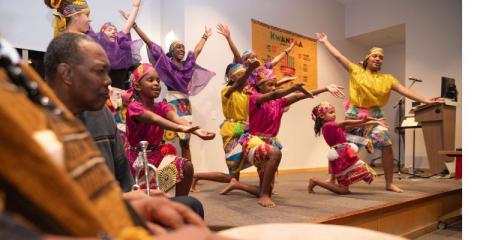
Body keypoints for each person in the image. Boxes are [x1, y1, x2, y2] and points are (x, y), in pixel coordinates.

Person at [1, 34, 227, 239]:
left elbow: (121, 178)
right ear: (66, 74)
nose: (109, 81)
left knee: (190, 205)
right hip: (83, 226)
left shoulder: (101, 115)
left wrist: (127, 202)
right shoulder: (22, 123)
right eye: (100, 71)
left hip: (110, 207)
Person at [315, 32, 442, 193]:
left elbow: (404, 90)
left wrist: (426, 100)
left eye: (381, 57)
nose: (377, 59)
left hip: (375, 119)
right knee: (339, 147)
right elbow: (339, 57)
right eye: (374, 56)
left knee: (387, 145)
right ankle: (333, 177)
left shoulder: (387, 79)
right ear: (368, 58)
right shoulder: (356, 71)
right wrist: (326, 42)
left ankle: (389, 183)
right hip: (354, 117)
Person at [221, 68, 345, 208]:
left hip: (270, 142)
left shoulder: (279, 102)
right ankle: (263, 196)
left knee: (268, 187)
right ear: (259, 85)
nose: (273, 87)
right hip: (253, 142)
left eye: (275, 84)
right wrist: (291, 88)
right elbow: (273, 95)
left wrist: (325, 88)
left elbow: (300, 95)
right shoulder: (255, 98)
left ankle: (238, 185)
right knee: (275, 153)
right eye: (270, 84)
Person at [119, 10, 216, 161]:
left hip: (184, 103)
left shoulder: (188, 66)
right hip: (171, 101)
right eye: (178, 47)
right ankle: (164, 170)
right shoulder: (166, 64)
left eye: (183, 47)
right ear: (171, 51)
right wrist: (135, 25)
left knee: (185, 141)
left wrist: (205, 36)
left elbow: (197, 50)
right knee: (168, 139)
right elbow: (150, 43)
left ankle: (186, 173)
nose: (182, 49)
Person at [122, 63, 216, 196]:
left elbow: (177, 119)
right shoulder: (134, 107)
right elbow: (155, 119)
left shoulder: (161, 106)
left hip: (157, 158)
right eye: (150, 80)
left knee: (186, 167)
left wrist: (195, 130)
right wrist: (181, 128)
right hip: (137, 164)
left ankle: (181, 203)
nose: (156, 84)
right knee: (146, 204)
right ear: (137, 86)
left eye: (158, 81)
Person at [191, 61, 260, 193]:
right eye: (240, 74)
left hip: (245, 129)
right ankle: (196, 175)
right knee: (232, 175)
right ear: (232, 78)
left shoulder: (246, 93)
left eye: (245, 74)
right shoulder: (227, 91)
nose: (245, 77)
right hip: (231, 130)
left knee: (254, 159)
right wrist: (250, 69)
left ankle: (265, 186)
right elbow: (238, 85)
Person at [44, 0, 143, 89]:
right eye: (87, 15)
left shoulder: (85, 41)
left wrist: (135, 8)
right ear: (75, 16)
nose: (90, 19)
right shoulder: (69, 45)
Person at [307, 102, 385, 194]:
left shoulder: (333, 125)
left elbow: (352, 125)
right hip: (341, 156)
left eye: (334, 112)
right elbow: (345, 122)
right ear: (322, 116)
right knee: (343, 190)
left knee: (355, 176)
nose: (334, 114)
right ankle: (315, 181)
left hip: (344, 153)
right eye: (331, 112)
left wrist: (373, 121)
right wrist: (362, 121)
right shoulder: (328, 126)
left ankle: (330, 180)